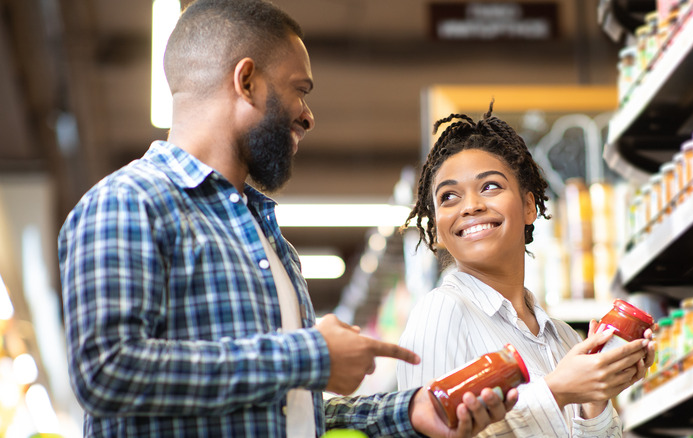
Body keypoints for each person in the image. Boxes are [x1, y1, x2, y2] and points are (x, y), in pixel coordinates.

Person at [57, 1, 519, 436]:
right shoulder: (128, 202)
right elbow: (106, 371)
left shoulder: (268, 239)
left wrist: (409, 412)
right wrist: (310, 353)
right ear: (246, 81)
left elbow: (288, 409)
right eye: (299, 90)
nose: (308, 116)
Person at [397, 103, 656, 437]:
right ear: (437, 226)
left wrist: (595, 399)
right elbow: (429, 432)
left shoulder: (563, 337)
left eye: (490, 186)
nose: (470, 205)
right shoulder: (440, 312)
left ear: (529, 206)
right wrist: (557, 390)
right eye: (449, 196)